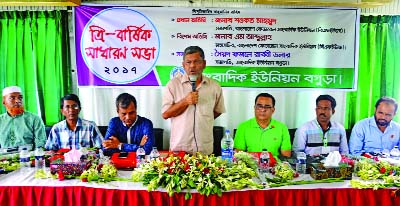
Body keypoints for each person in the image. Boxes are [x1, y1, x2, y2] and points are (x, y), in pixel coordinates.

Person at [162, 46, 225, 155]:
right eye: (188, 62)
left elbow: (217, 111)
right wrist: (185, 102)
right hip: (179, 150)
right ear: (183, 65)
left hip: (204, 150)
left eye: (196, 62)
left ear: (204, 64)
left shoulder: (214, 86)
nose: (192, 66)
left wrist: (203, 119)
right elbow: (166, 114)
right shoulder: (173, 85)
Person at [234, 93, 291, 158]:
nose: (263, 110)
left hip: (274, 166)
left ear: (273, 110)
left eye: (267, 106)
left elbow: (286, 155)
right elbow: (238, 154)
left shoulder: (282, 128)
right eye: (259, 106)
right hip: (249, 166)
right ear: (254, 108)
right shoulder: (243, 127)